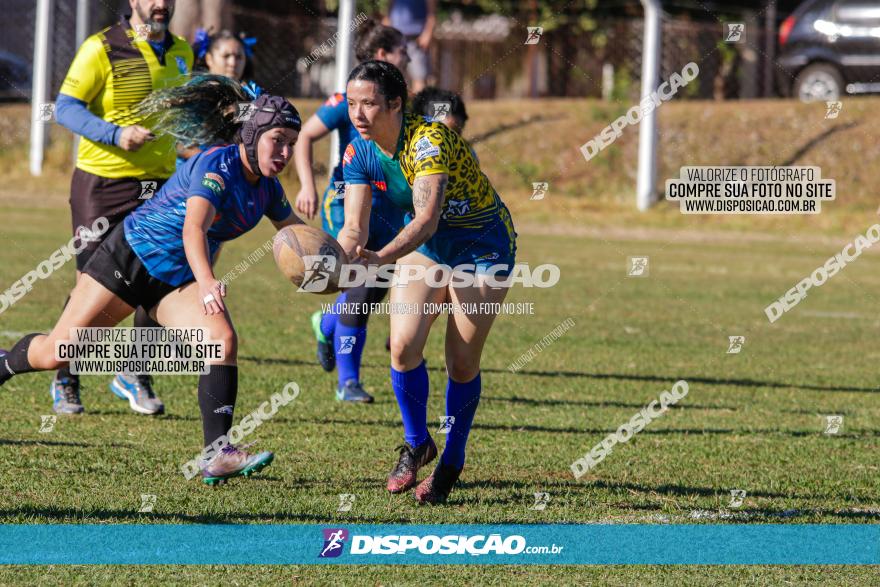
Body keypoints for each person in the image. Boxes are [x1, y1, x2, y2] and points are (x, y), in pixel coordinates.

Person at [0, 84, 306, 486]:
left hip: (174, 281)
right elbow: (193, 229)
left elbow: (298, 236)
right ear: (251, 135)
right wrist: (209, 280)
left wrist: (339, 262)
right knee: (58, 353)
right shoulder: (217, 165)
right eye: (278, 142)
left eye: (292, 144)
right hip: (129, 260)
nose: (285, 154)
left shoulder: (268, 188)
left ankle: (217, 455)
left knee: (221, 341)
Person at [338, 61, 517, 504]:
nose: (358, 114)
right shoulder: (358, 151)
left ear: (396, 105)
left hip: (481, 245)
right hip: (430, 247)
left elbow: (426, 218)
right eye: (351, 103)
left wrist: (380, 258)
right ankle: (418, 443)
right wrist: (338, 256)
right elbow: (354, 227)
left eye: (370, 104)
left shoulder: (428, 142)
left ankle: (452, 460)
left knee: (461, 362)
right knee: (402, 346)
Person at [52, 0, 193, 416]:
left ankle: (136, 373)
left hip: (159, 185)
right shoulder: (102, 47)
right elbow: (65, 107)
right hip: (102, 185)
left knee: (154, 280)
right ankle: (65, 375)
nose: (161, 4)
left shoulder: (183, 51)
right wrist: (115, 134)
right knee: (89, 289)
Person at [293, 20, 409, 403]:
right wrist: (309, 185)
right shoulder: (345, 100)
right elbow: (306, 136)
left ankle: (327, 322)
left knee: (372, 289)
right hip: (347, 202)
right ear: (381, 55)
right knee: (360, 286)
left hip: (388, 208)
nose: (407, 57)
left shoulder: (400, 105)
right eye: (400, 51)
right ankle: (348, 382)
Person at [385, 0, 436, 93]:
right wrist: (387, 29)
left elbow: (431, 13)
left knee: (419, 77)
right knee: (393, 76)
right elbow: (389, 8)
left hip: (416, 39)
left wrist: (427, 33)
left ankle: (419, 105)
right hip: (396, 38)